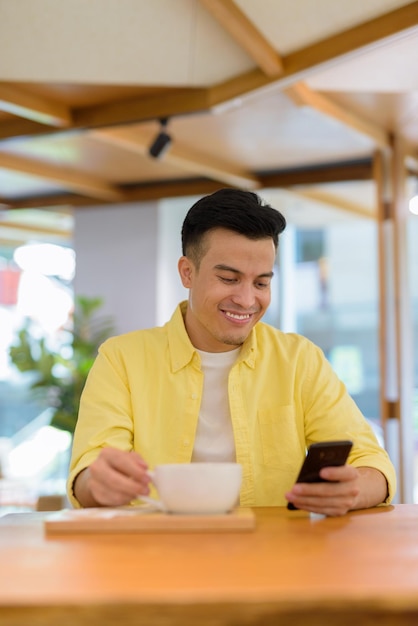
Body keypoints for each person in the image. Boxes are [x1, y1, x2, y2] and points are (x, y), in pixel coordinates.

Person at [68, 188, 396, 516]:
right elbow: (88, 473)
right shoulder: (122, 359)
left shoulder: (298, 360)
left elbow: (373, 464)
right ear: (187, 272)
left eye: (261, 283)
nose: (246, 299)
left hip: (272, 557)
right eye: (229, 278)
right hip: (156, 555)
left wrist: (354, 488)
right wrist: (97, 483)